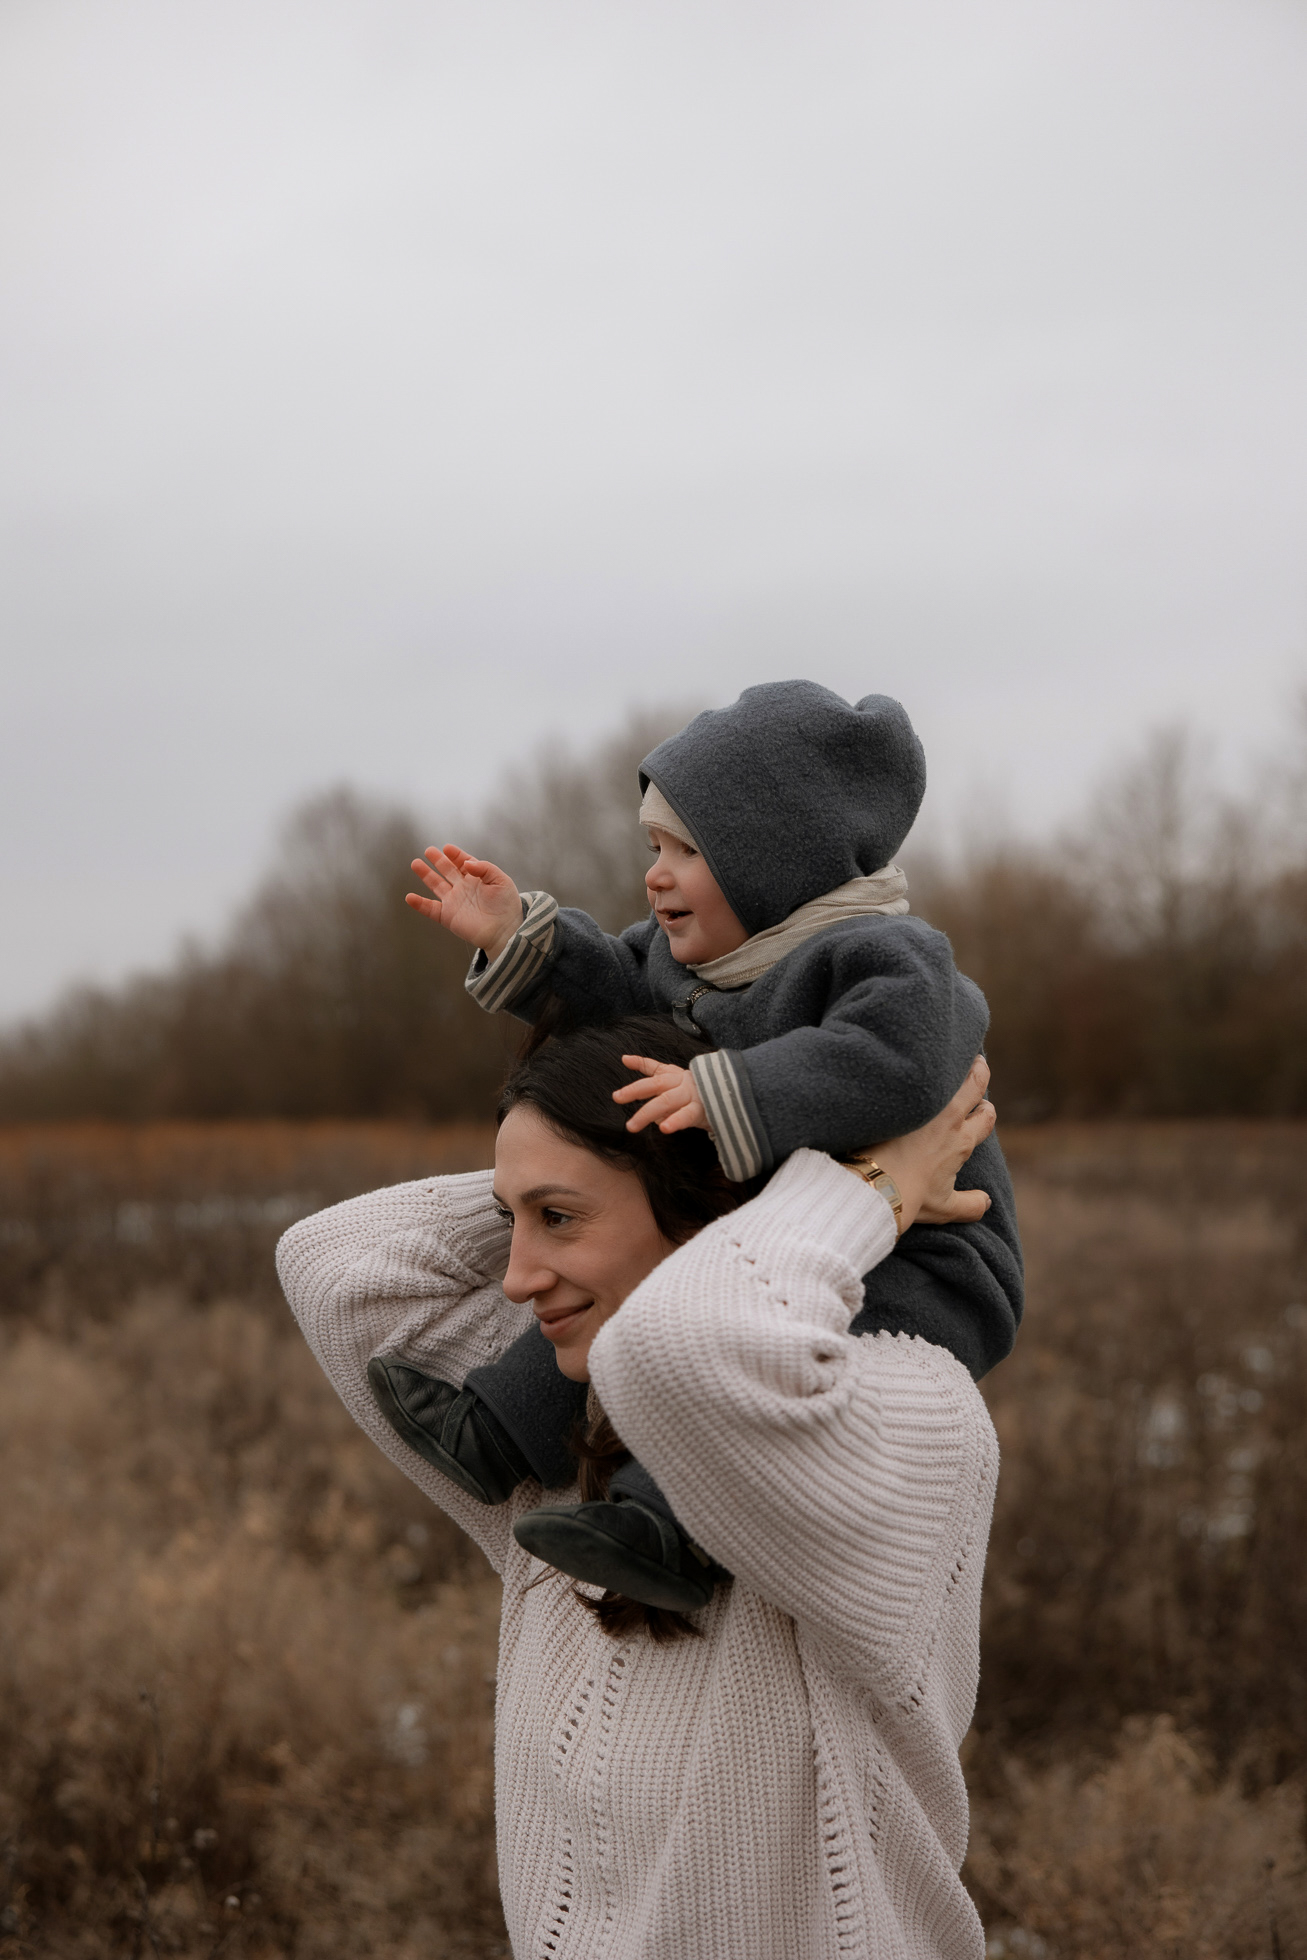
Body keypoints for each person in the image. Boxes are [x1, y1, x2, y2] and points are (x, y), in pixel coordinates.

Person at [276, 1019, 1000, 1960]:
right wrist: (587, 1148)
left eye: (560, 1219)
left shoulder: (911, 1419)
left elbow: (688, 1347)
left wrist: (842, 1177)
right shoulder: (563, 1463)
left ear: (706, 1203)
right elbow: (332, 1268)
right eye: (511, 1221)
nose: (516, 1279)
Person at [377, 681, 1021, 1608]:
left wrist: (734, 1090)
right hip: (798, 1228)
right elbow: (606, 989)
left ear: (774, 858)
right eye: (653, 848)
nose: (656, 873)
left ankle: (671, 1528)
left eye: (686, 850)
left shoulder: (882, 957)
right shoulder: (692, 962)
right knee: (629, 1285)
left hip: (928, 1260)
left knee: (739, 1347)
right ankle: (496, 1432)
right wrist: (521, 937)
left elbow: (900, 1058)